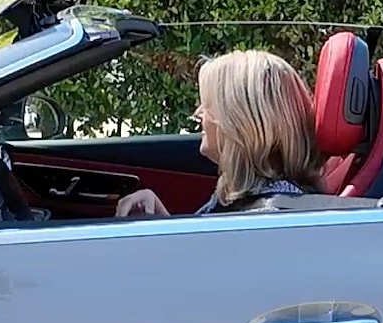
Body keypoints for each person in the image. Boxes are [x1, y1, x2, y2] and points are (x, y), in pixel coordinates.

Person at [115, 49, 323, 217]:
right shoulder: (252, 199)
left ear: (237, 123)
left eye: (208, 106)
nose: (198, 113)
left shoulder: (267, 218)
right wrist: (164, 222)